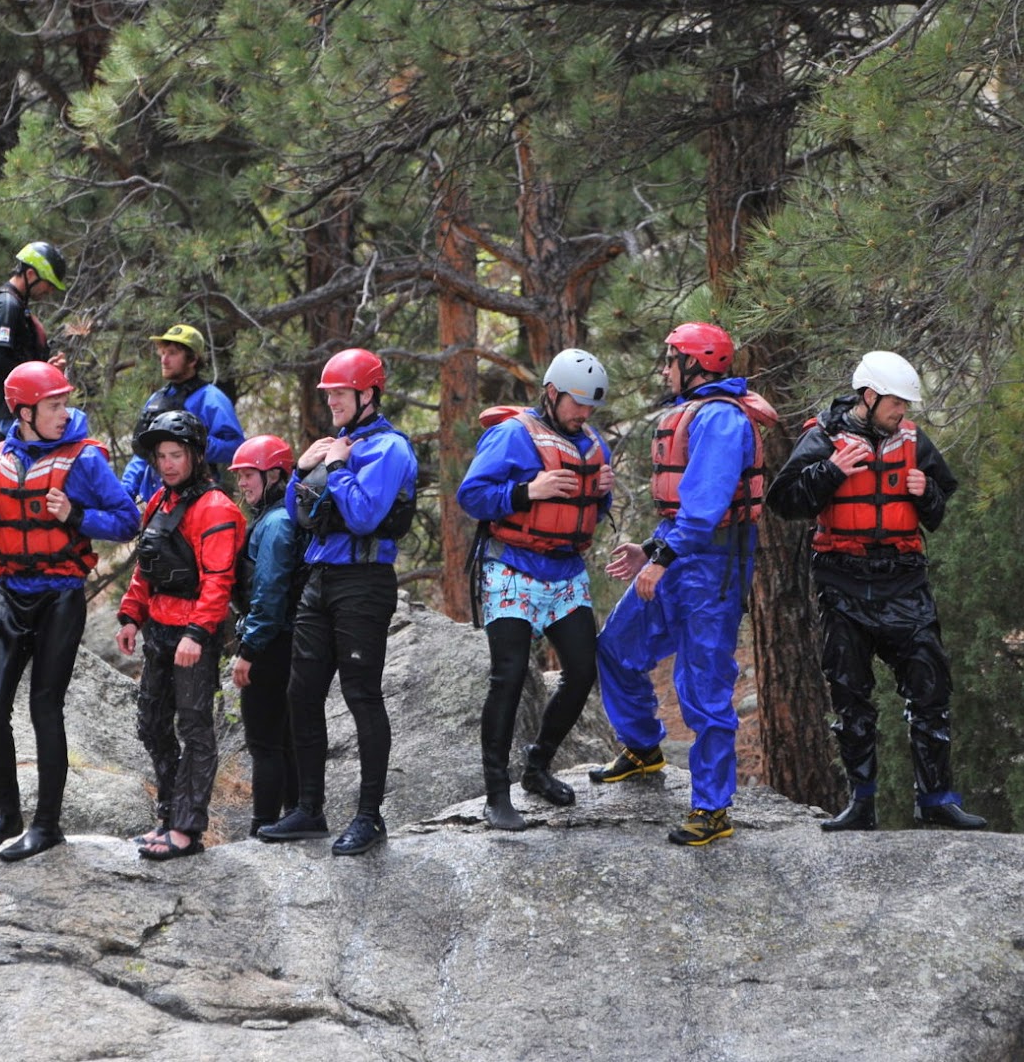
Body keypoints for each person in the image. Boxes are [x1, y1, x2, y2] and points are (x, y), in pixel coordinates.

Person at [765, 351, 986, 831]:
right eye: (896, 403)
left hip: (905, 582)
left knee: (931, 691)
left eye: (906, 404)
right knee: (851, 698)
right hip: (843, 583)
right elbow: (782, 502)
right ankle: (861, 804)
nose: (903, 412)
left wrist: (924, 490)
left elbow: (938, 510)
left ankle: (935, 802)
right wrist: (831, 471)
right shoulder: (822, 438)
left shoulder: (913, 440)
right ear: (869, 397)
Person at [588, 323, 777, 846]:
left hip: (712, 570)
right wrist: (650, 551)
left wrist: (661, 560)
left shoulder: (719, 420)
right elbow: (681, 515)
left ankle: (713, 808)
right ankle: (644, 749)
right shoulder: (695, 413)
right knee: (617, 647)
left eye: (671, 361)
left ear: (697, 365)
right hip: (679, 558)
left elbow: (706, 510)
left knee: (703, 687)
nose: (665, 369)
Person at [0, 360, 140, 861]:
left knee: (44, 706)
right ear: (23, 412)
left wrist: (75, 514)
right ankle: (8, 815)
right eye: (53, 406)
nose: (64, 413)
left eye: (64, 404)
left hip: (61, 594)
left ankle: (47, 825)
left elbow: (128, 520)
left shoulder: (83, 459)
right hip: (11, 592)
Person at [257, 348, 418, 856]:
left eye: (340, 394)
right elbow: (298, 515)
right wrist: (302, 472)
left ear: (367, 394)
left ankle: (369, 817)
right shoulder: (337, 445)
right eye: (328, 394)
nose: (332, 402)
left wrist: (339, 468)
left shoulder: (390, 449)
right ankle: (309, 808)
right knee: (300, 694)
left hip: (364, 582)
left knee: (361, 696)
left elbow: (367, 514)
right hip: (322, 578)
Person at [457, 350, 615, 831]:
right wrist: (528, 491)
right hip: (510, 567)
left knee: (584, 669)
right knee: (507, 676)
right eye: (575, 403)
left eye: (590, 406)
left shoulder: (593, 443)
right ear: (551, 392)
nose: (583, 414)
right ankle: (496, 794)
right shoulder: (511, 435)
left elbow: (591, 510)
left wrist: (603, 489)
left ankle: (537, 767)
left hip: (565, 572)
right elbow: (471, 496)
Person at [115, 412, 246, 860]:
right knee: (152, 724)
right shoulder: (159, 502)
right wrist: (131, 615)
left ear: (194, 455)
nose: (168, 464)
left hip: (195, 634)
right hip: (159, 630)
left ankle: (188, 828)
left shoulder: (216, 508)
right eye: (162, 456)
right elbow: (145, 566)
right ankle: (169, 815)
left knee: (195, 729)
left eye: (176, 455)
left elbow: (218, 580)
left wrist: (197, 632)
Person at [228, 434, 304, 837]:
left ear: (274, 473)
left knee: (265, 741)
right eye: (239, 476)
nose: (242, 483)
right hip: (287, 640)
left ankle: (263, 826)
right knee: (284, 737)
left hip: (272, 643)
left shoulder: (275, 524)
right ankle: (292, 813)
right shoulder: (277, 517)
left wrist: (249, 649)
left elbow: (270, 591)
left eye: (248, 475)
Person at [120, 323, 244, 503]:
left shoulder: (210, 398)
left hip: (197, 499)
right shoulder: (157, 398)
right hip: (155, 502)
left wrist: (193, 443)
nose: (164, 359)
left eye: (172, 353)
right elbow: (142, 454)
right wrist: (126, 491)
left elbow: (235, 447)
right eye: (163, 353)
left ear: (193, 359)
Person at [0, 240, 68, 438]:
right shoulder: (7, 306)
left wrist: (47, 371)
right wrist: (39, 377)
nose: (50, 291)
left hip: (8, 412)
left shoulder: (17, 307)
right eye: (48, 283)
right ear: (30, 275)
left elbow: (12, 359)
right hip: (1, 415)